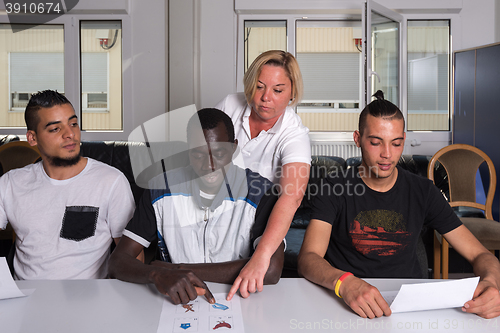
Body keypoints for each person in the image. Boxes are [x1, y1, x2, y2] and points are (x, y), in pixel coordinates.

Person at [297, 90, 500, 319]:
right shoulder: (334, 186)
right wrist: (344, 283)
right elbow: (308, 258)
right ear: (357, 139)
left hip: (408, 306)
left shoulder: (423, 191)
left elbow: (480, 255)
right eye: (375, 142)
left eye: (396, 144)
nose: (387, 154)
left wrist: (492, 282)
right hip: (345, 302)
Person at [108, 108, 284, 305]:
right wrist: (157, 274)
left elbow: (271, 270)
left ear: (234, 149)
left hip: (240, 300)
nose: (209, 165)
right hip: (177, 300)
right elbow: (118, 261)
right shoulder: (160, 189)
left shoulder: (261, 192)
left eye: (219, 153)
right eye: (198, 154)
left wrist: (177, 270)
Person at [0, 90, 135, 279]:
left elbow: (132, 257)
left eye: (73, 124)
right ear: (32, 138)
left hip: (88, 299)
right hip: (26, 298)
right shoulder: (10, 183)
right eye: (55, 129)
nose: (70, 134)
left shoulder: (111, 181)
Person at [216, 50, 311, 300]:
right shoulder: (229, 105)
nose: (265, 98)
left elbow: (291, 198)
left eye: (278, 90)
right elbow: (199, 152)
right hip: (215, 207)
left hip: (259, 219)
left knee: (266, 271)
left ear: (292, 93)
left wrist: (261, 255)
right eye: (259, 87)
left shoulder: (295, 135)